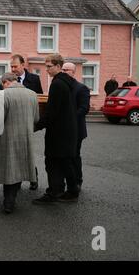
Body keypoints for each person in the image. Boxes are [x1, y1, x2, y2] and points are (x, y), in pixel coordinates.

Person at [34, 54, 79, 204]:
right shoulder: (68, 82)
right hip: (66, 129)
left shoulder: (57, 84)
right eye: (46, 66)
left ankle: (55, 192)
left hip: (59, 131)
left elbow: (52, 112)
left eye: (49, 66)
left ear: (59, 66)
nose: (46, 69)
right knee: (64, 161)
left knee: (53, 162)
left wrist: (36, 126)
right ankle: (68, 191)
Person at [0, 73, 40, 214]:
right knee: (19, 166)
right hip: (26, 136)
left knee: (9, 169)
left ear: (6, 82)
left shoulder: (3, 95)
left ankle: (8, 203)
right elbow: (36, 118)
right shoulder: (33, 94)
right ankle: (11, 200)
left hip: (7, 137)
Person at [9, 54, 42, 190]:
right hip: (11, 122)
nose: (13, 69)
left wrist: (36, 122)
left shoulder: (34, 79)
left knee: (27, 151)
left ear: (23, 65)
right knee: (15, 153)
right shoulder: (8, 79)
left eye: (15, 66)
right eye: (11, 66)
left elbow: (39, 99)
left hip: (28, 121)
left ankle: (33, 178)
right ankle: (16, 179)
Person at [62, 63, 90, 192]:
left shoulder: (81, 88)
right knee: (64, 157)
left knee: (74, 156)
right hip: (63, 129)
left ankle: (77, 181)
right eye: (63, 69)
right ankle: (65, 181)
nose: (64, 72)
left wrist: (68, 119)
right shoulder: (61, 86)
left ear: (73, 72)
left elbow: (84, 109)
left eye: (67, 70)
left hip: (76, 129)